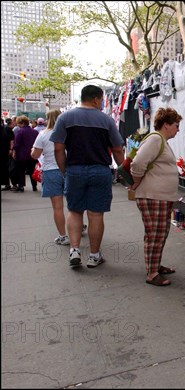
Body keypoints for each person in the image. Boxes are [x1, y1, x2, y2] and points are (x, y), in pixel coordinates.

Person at [50, 84, 125, 268]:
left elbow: (58, 148)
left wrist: (64, 170)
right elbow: (117, 149)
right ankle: (94, 255)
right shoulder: (106, 120)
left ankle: (74, 250)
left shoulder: (65, 118)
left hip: (74, 170)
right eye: (100, 100)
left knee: (75, 211)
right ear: (96, 99)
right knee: (96, 214)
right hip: (100, 171)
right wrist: (123, 169)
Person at [130, 107, 182, 286]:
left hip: (160, 197)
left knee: (160, 233)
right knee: (155, 234)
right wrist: (136, 181)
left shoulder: (161, 140)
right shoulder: (155, 139)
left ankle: (155, 265)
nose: (178, 129)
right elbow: (137, 163)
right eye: (176, 125)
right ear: (166, 125)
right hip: (153, 196)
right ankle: (152, 273)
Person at [31, 109, 70, 245]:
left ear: (48, 119)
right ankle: (79, 226)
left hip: (50, 171)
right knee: (74, 204)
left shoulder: (43, 135)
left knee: (57, 207)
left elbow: (35, 155)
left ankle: (63, 236)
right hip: (68, 170)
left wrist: (32, 151)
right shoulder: (68, 133)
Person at [11, 116, 39, 192]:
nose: (18, 125)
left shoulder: (20, 131)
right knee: (32, 170)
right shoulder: (35, 131)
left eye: (18, 124)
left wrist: (14, 151)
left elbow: (17, 144)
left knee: (21, 171)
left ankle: (21, 186)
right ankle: (34, 186)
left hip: (21, 154)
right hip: (32, 154)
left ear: (22, 123)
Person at [1, 118, 15, 191]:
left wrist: (11, 149)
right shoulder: (5, 129)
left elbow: (11, 140)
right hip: (5, 151)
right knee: (5, 168)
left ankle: (7, 184)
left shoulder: (6, 129)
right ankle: (7, 184)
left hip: (5, 151)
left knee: (6, 167)